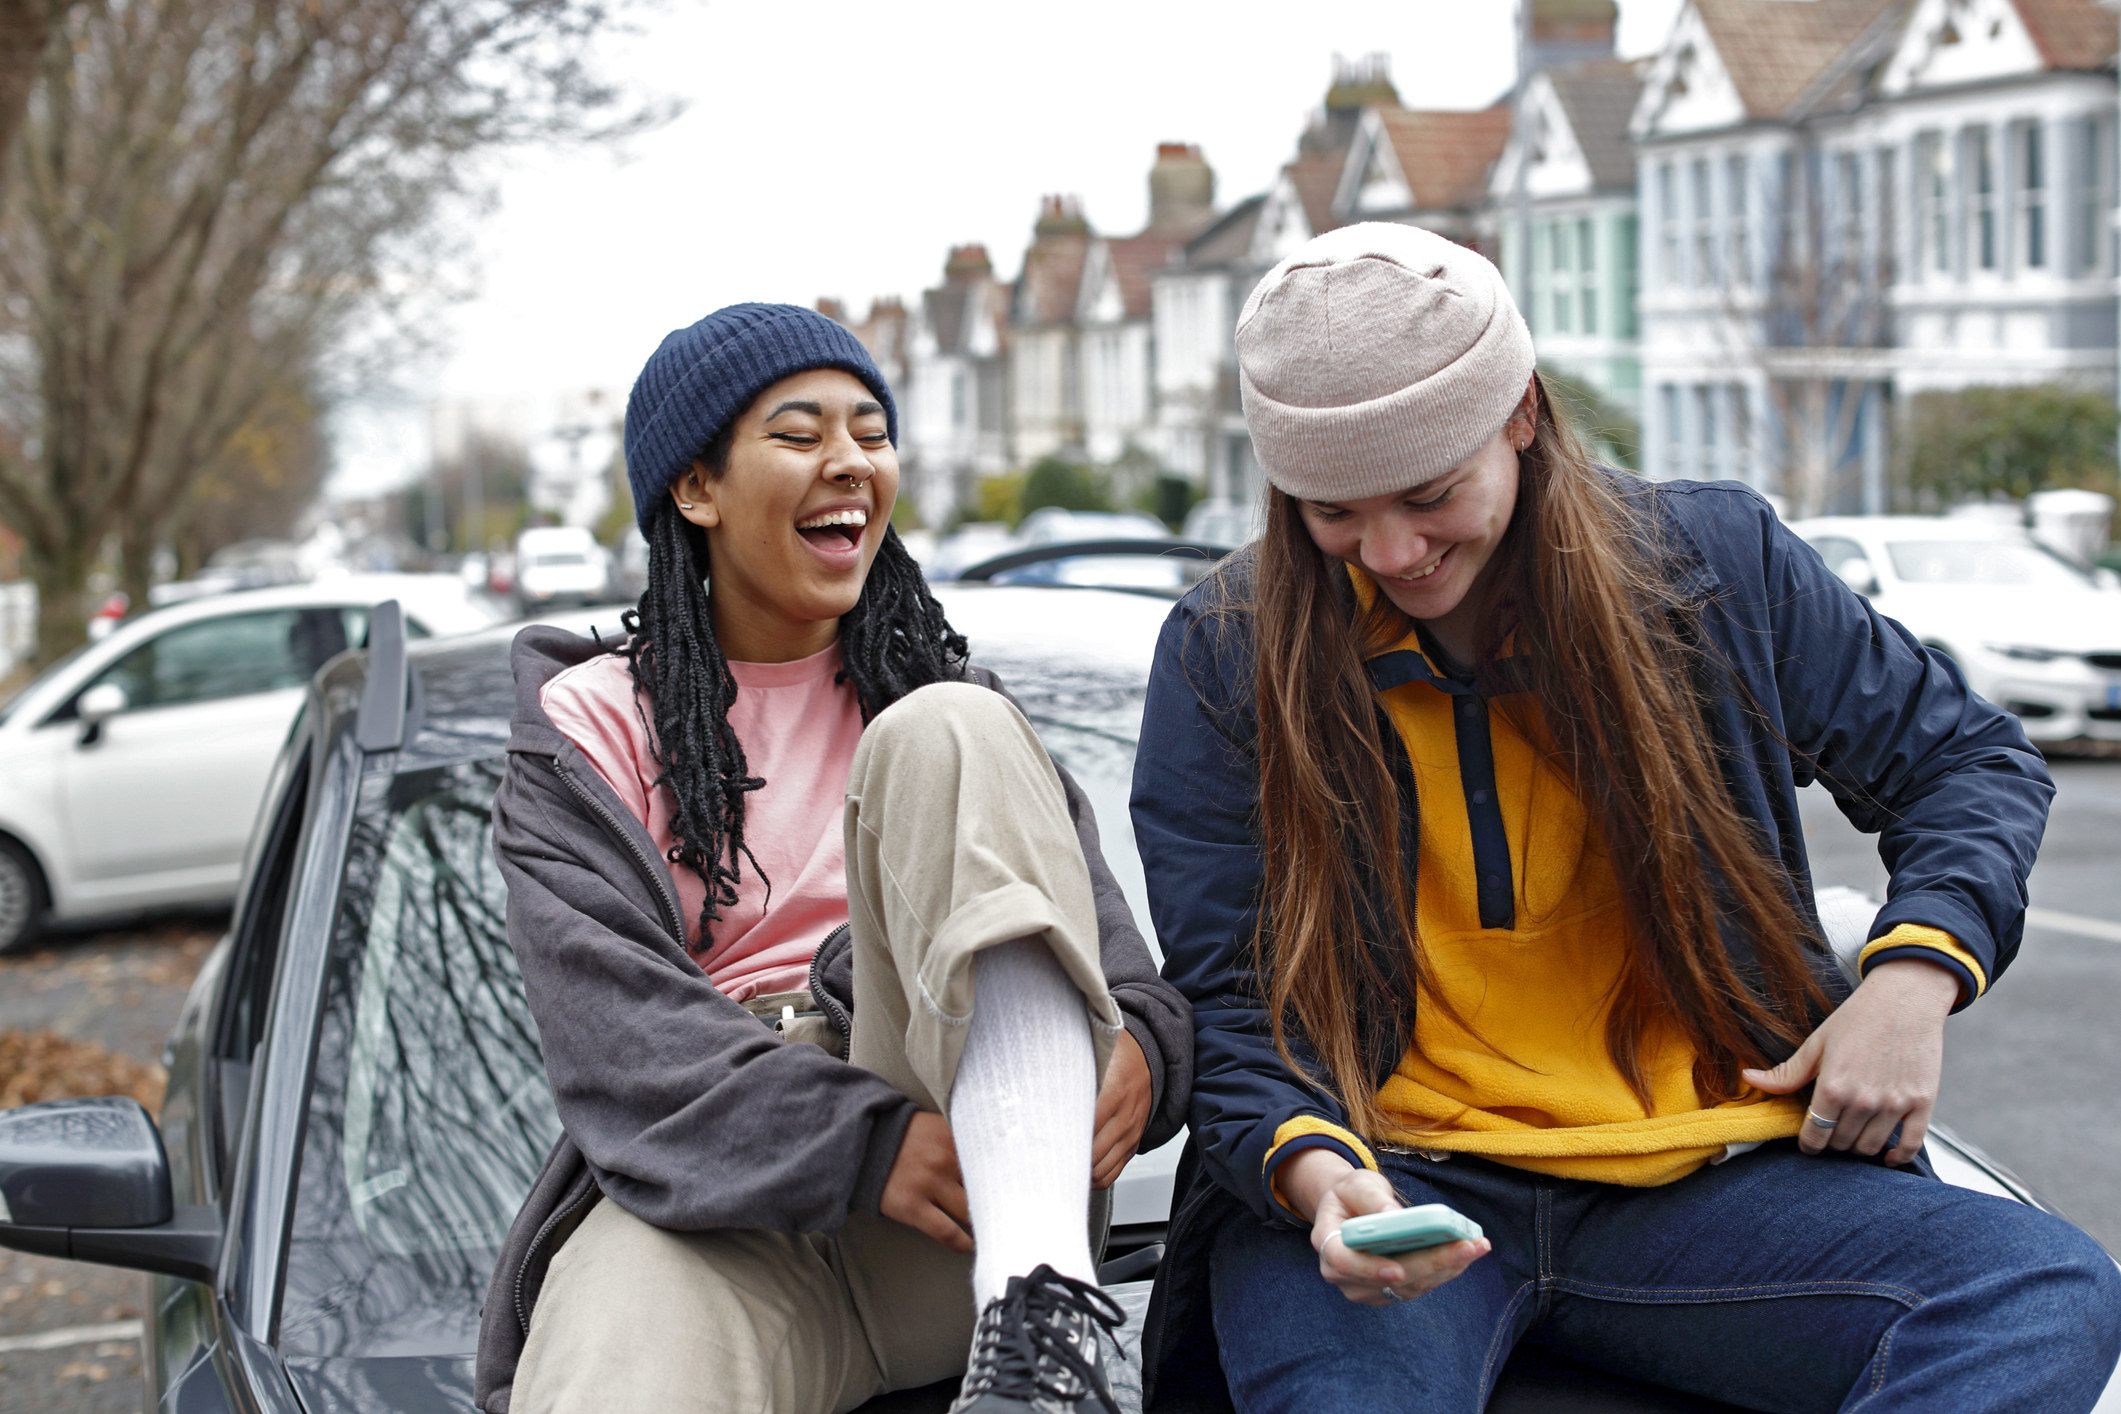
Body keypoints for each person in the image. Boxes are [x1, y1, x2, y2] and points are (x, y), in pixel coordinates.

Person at [1130, 225, 2121, 1413]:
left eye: (1431, 493)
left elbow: (1966, 760)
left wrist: (1911, 980)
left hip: (1712, 1180)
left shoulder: (1713, 565)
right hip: (1392, 1183)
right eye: (1330, 511)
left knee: (2045, 1287)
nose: (1390, 550)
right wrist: (1317, 1175)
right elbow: (1232, 999)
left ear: (1523, 415)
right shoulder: (1226, 649)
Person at [472, 304, 1192, 1414]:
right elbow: (620, 1043)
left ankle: (1044, 1324)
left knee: (944, 727)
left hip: (968, 1204)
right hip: (716, 1213)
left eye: (870, 431)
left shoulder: (954, 712)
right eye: (800, 435)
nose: (849, 461)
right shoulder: (587, 727)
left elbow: (1124, 975)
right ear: (696, 488)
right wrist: (866, 1144)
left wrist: (1145, 1048)